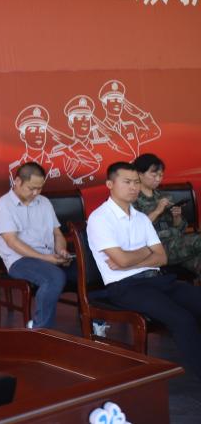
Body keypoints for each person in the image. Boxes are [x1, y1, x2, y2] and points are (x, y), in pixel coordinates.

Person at [86, 162, 201, 380]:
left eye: (136, 182)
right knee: (182, 319)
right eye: (127, 182)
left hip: (156, 279)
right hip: (125, 287)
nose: (133, 187)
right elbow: (122, 260)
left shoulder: (140, 218)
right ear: (110, 184)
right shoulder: (99, 218)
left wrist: (131, 260)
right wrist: (146, 252)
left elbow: (162, 257)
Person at [0, 162, 75, 329]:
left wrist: (61, 251)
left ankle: (95, 322)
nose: (36, 193)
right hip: (19, 261)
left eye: (40, 188)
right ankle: (39, 329)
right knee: (54, 277)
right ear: (17, 181)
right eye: (31, 188)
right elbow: (12, 242)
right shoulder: (3, 205)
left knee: (88, 269)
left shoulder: (44, 202)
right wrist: (46, 258)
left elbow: (57, 234)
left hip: (48, 257)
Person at [133, 153, 201, 278]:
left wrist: (177, 217)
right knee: (198, 240)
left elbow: (180, 228)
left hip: (176, 244)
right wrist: (157, 211)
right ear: (139, 174)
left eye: (161, 175)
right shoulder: (131, 199)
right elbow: (135, 230)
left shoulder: (164, 196)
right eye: (154, 175)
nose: (158, 179)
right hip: (154, 249)